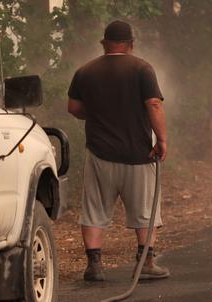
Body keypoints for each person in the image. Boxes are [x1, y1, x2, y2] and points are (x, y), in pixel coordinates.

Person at [67, 20, 169, 282]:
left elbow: (74, 108)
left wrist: (100, 113)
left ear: (104, 43)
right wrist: (162, 140)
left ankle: (94, 266)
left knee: (94, 210)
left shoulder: (85, 71)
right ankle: (146, 262)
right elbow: (154, 105)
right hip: (138, 155)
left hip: (100, 155)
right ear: (131, 43)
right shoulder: (142, 69)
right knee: (145, 210)